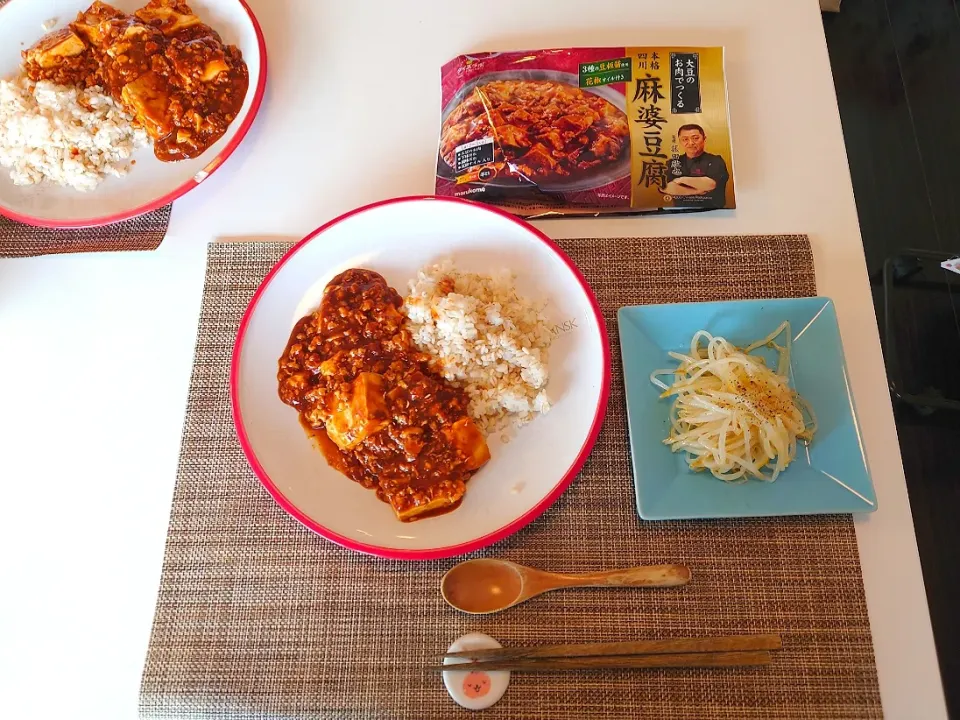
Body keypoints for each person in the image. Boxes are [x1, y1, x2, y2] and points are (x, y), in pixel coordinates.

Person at [664, 124, 730, 208]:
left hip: (712, 212)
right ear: (680, 141)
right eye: (685, 139)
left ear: (704, 139)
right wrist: (697, 190)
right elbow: (668, 187)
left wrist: (681, 179)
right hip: (680, 212)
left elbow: (710, 184)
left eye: (695, 138)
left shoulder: (716, 160)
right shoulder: (672, 162)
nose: (691, 143)